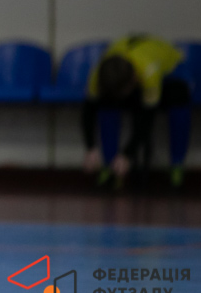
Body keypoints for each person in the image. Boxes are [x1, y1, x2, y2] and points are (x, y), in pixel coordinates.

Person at [81, 35, 193, 190]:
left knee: (180, 97)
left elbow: (147, 118)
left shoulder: (149, 72)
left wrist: (128, 154)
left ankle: (177, 165)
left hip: (172, 73)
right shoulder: (97, 73)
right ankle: (109, 164)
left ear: (133, 81)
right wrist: (90, 147)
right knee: (107, 103)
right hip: (133, 68)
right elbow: (88, 108)